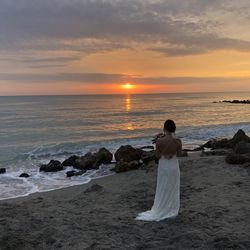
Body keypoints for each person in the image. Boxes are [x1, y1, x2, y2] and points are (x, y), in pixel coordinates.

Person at [135, 119, 182, 221]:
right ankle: (172, 208)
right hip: (173, 166)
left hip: (164, 166)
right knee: (173, 187)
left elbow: (157, 155)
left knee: (163, 186)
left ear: (164, 128)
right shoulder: (178, 141)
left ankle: (162, 207)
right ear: (174, 129)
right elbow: (179, 154)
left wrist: (158, 141)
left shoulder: (160, 141)